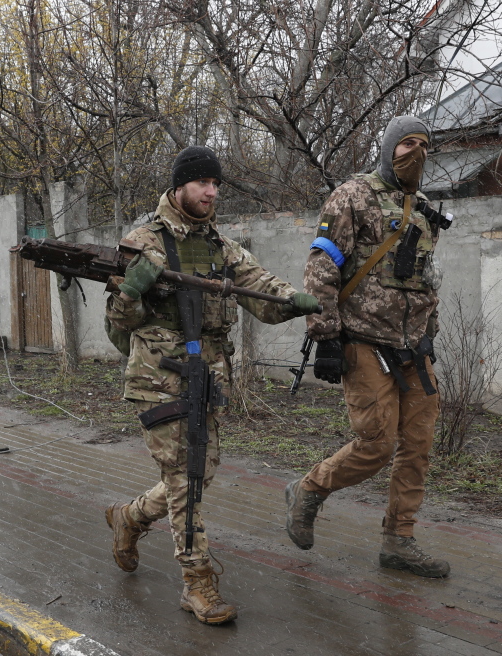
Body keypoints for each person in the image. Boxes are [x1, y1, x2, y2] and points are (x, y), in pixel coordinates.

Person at [104, 145, 321, 624]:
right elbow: (118, 326)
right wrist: (132, 289)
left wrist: (294, 300)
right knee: (187, 479)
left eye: (217, 184)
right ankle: (197, 581)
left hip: (206, 378)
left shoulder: (222, 247)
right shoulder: (143, 241)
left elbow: (260, 287)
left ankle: (131, 516)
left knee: (197, 475)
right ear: (180, 185)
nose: (212, 191)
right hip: (160, 381)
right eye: (203, 182)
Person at [285, 116, 450, 578]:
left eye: (423, 144)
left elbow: (426, 279)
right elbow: (322, 267)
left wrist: (430, 332)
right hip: (362, 339)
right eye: (406, 144)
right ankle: (309, 490)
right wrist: (327, 336)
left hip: (413, 346)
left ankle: (399, 540)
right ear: (388, 148)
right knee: (378, 442)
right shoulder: (353, 195)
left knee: (417, 445)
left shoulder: (424, 208)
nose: (415, 153)